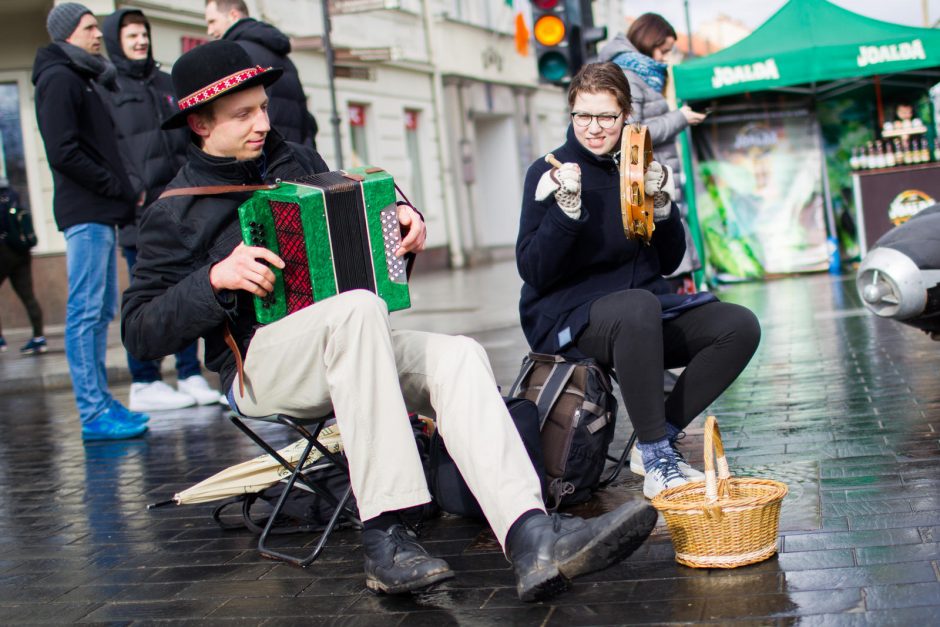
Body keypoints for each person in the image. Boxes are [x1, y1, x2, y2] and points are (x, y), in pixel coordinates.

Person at [121, 41, 656, 602]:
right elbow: (139, 328)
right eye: (243, 114)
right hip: (259, 367)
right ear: (201, 123)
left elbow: (363, 227)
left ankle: (530, 534)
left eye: (263, 106)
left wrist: (402, 223)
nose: (263, 121)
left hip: (351, 343)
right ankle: (385, 534)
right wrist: (211, 281)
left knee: (458, 354)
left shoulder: (297, 162)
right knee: (358, 310)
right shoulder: (173, 213)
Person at [516, 62, 760, 499]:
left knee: (738, 325)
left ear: (625, 114)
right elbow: (534, 272)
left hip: (641, 313)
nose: (594, 128)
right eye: (583, 116)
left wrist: (663, 207)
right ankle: (657, 459)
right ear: (571, 113)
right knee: (637, 306)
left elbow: (667, 263)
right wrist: (564, 213)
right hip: (571, 316)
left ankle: (658, 437)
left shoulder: (639, 166)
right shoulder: (549, 170)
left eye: (606, 117)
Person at [32, 3, 148, 441]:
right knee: (85, 312)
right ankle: (93, 412)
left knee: (98, 310)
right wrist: (115, 186)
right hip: (86, 212)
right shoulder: (60, 79)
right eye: (89, 27)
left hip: (100, 211)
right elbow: (63, 152)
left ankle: (101, 404)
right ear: (67, 35)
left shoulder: (82, 77)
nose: (98, 34)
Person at [100, 8, 220, 411]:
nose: (140, 41)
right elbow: (109, 149)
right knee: (149, 293)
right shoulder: (109, 87)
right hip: (141, 213)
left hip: (183, 205)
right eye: (131, 35)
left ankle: (189, 373)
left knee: (191, 288)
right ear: (116, 40)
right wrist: (131, 190)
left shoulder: (166, 83)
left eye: (143, 34)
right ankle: (145, 380)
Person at [598, 13, 707, 283]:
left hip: (655, 182)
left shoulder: (640, 73)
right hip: (648, 184)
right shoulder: (629, 75)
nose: (665, 57)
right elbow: (632, 133)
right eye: (664, 50)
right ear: (648, 41)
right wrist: (680, 118)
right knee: (669, 274)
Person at [204, 0, 318, 148]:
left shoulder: (235, 54)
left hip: (263, 156)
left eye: (213, 21)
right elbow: (305, 119)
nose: (210, 30)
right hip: (295, 156)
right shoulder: (283, 57)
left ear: (233, 15)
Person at [0, 181, 46, 355]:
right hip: (21, 252)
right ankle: (39, 338)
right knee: (28, 296)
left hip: (3, 251)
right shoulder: (12, 193)